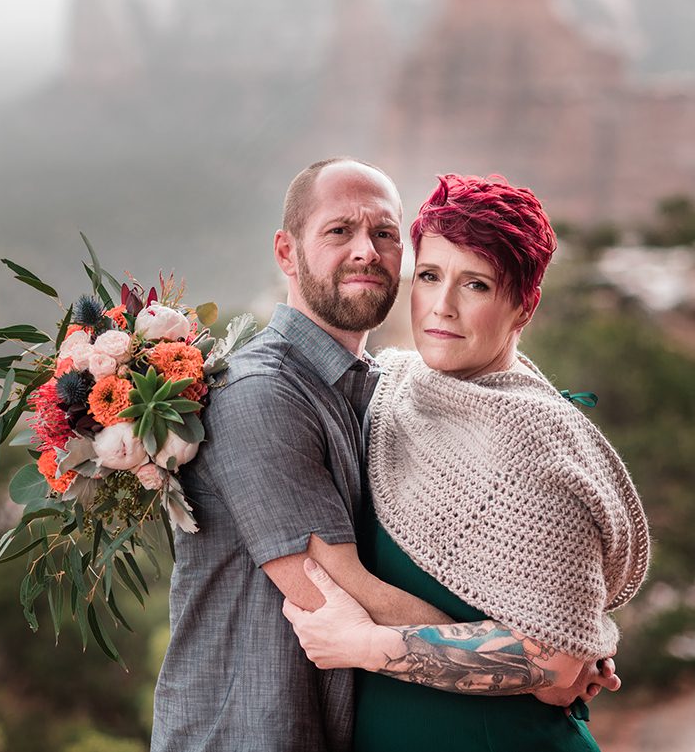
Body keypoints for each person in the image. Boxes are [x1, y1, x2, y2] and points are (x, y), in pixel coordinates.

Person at [150, 160, 619, 752]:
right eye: (338, 231)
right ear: (287, 253)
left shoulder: (385, 388)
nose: (366, 251)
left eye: (386, 234)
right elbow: (332, 589)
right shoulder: (260, 393)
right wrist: (539, 667)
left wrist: (560, 642)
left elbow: (542, 590)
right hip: (250, 728)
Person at [281, 173, 651, 751]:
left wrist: (363, 646)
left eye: (475, 285)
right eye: (429, 276)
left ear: (523, 305)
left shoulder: (534, 439)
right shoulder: (394, 388)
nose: (443, 307)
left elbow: (555, 665)